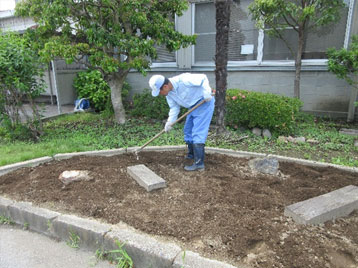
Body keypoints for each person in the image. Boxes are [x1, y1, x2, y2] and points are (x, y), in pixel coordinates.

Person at [149, 73, 215, 171]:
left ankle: (199, 164)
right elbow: (174, 108)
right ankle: (191, 154)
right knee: (187, 130)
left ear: (165, 86)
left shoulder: (184, 80)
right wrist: (169, 122)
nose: (159, 94)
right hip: (192, 107)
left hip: (204, 102)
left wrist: (206, 92)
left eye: (159, 91)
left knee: (198, 132)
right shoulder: (169, 94)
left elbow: (203, 78)